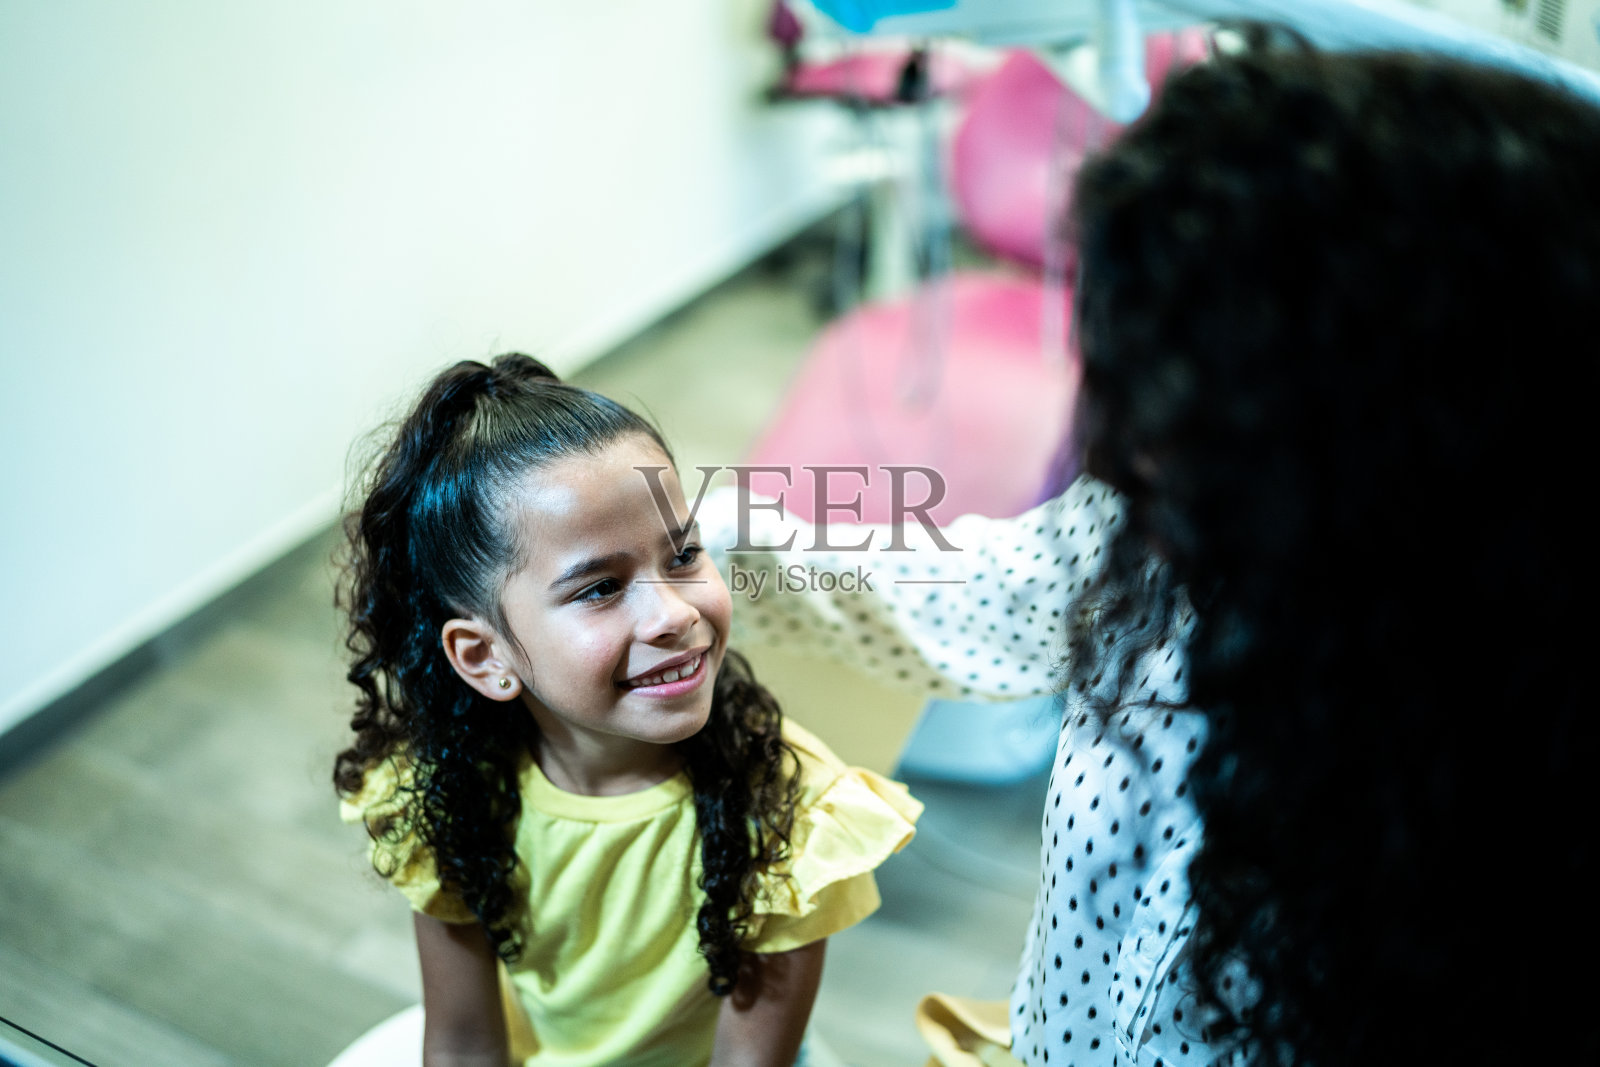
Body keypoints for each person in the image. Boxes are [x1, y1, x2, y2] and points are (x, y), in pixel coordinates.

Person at [699, 30, 1600, 1066]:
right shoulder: (1165, 540)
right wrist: (704, 546)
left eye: (1192, 382)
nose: (1136, 443)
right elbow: (993, 590)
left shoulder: (1506, 731)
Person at [333, 354, 921, 1067]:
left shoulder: (787, 814)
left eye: (684, 555)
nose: (674, 613)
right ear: (486, 656)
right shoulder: (447, 794)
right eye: (600, 588)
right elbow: (462, 1045)